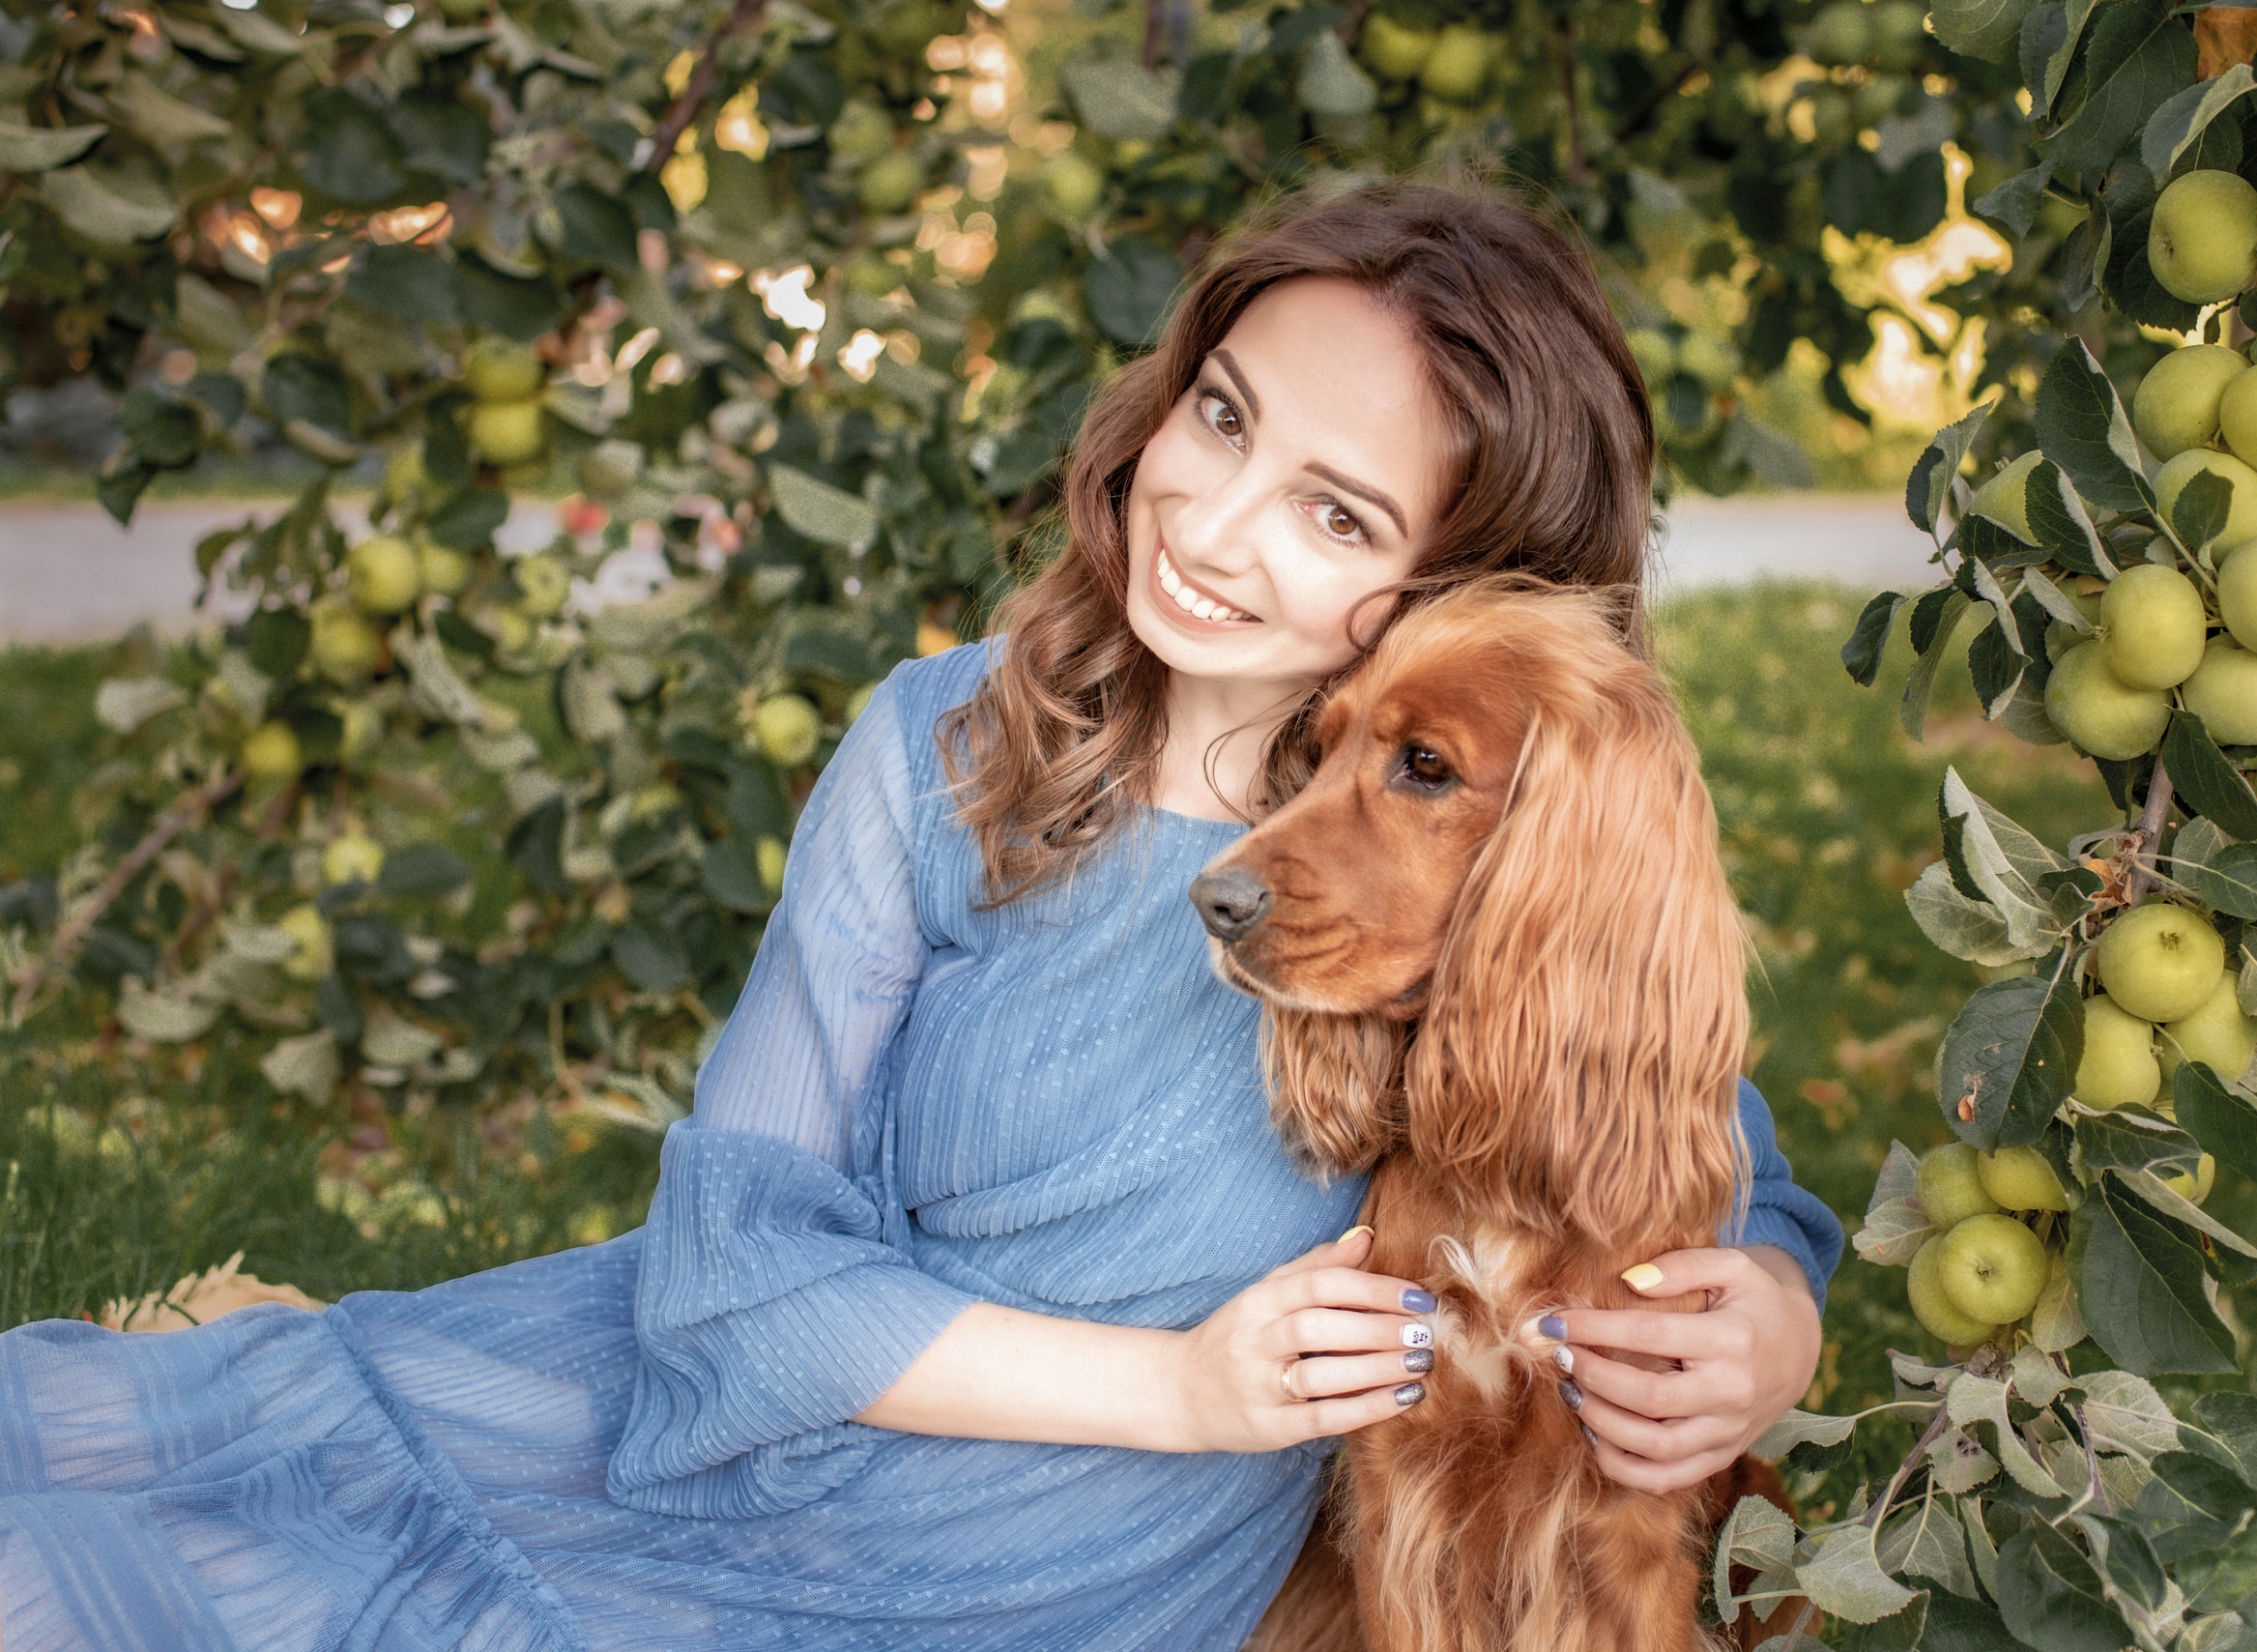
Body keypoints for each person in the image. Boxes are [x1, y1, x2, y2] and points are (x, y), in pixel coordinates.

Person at [0, 181, 1839, 1651]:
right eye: (1222, 414)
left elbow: (1677, 1125)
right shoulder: (941, 752)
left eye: (1336, 517)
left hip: (1034, 1583)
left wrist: (1776, 1310)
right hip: (712, 1424)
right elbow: (734, 1264)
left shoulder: (1443, 857)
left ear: (1462, 591)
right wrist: (1185, 1391)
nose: (1208, 517)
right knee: (102, 1531)